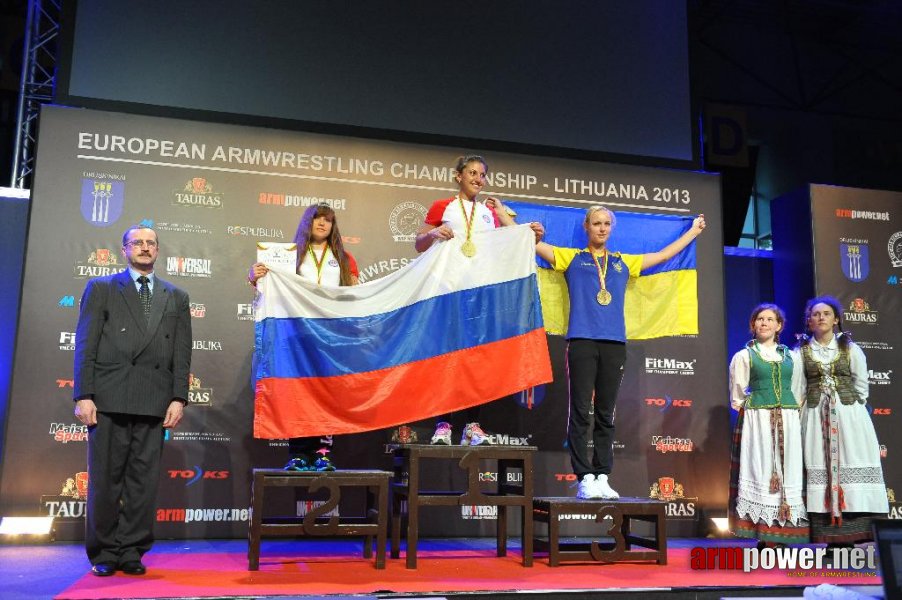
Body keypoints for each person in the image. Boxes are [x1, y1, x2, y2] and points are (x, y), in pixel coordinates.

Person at [535, 206, 705, 499]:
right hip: (582, 342)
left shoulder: (622, 262)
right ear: (586, 227)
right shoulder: (571, 258)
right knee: (579, 412)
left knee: (605, 413)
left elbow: (663, 256)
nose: (601, 228)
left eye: (606, 224)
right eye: (596, 223)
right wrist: (506, 218)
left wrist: (692, 232)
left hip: (614, 344)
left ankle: (602, 475)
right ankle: (584, 477)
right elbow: (533, 245)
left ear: (611, 228)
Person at [73, 225, 191, 577]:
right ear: (124, 250)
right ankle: (105, 552)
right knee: (105, 480)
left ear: (158, 250)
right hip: (107, 398)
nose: (144, 247)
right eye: (137, 242)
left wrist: (178, 397)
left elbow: (181, 353)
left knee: (143, 483)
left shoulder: (176, 296)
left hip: (153, 399)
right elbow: (85, 344)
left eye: (150, 243)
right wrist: (84, 394)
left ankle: (132, 551)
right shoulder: (102, 288)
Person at [413, 154, 543, 446]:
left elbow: (506, 247)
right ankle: (443, 424)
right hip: (448, 292)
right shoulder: (442, 206)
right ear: (458, 176)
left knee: (476, 362)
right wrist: (433, 233)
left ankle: (472, 425)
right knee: (447, 358)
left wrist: (530, 236)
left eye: (482, 174)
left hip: (480, 295)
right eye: (471, 172)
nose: (477, 178)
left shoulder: (489, 212)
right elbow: (418, 244)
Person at [249, 203, 359, 470]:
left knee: (327, 394)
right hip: (295, 335)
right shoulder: (289, 255)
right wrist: (254, 276)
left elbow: (354, 293)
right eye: (316, 219)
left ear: (333, 226)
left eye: (328, 220)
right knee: (297, 392)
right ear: (306, 222)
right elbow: (266, 284)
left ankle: (322, 453)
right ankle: (298, 453)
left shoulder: (345, 258)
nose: (322, 224)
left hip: (330, 335)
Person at [796, 296, 888, 548]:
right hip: (815, 417)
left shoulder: (849, 348)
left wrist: (848, 407)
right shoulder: (801, 351)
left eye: (826, 313)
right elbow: (798, 389)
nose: (821, 317)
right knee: (820, 467)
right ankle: (828, 536)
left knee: (851, 463)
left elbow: (861, 386)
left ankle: (854, 533)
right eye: (816, 314)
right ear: (809, 321)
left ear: (836, 319)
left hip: (849, 416)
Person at [728, 304, 808, 547]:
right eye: (759, 319)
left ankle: (784, 532)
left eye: (769, 319)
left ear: (779, 326)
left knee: (788, 470)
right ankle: (763, 534)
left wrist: (787, 411)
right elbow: (738, 394)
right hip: (758, 420)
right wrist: (756, 410)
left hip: (788, 417)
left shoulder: (792, 357)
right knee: (761, 470)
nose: (764, 323)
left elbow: (797, 389)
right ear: (753, 325)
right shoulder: (744, 356)